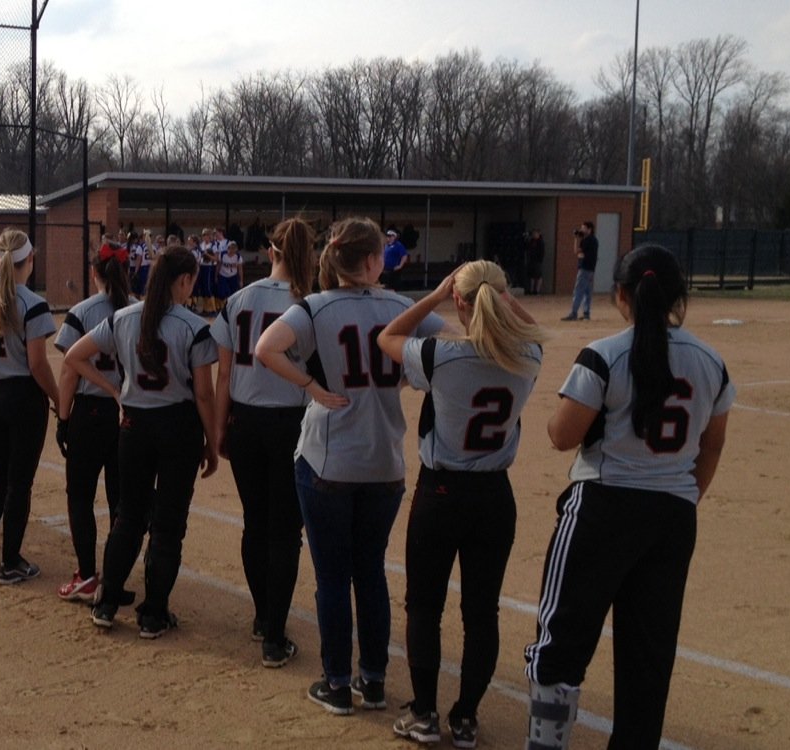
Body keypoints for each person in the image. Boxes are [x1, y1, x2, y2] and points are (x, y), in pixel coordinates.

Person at [524, 245, 732, 749]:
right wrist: (682, 498)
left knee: (562, 642)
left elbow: (561, 436)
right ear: (677, 297)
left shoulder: (604, 354)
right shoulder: (711, 361)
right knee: (648, 658)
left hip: (603, 507)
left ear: (622, 295)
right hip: (672, 519)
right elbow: (712, 444)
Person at [253, 217, 445, 717]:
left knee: (333, 578)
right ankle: (374, 680)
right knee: (371, 573)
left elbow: (265, 349)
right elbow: (448, 346)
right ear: (372, 261)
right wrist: (405, 378)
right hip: (384, 460)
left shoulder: (316, 307)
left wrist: (311, 388)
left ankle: (337, 683)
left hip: (328, 459)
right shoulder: (403, 307)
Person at [377, 260, 548, 748]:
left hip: (442, 492)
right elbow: (531, 330)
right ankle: (466, 717)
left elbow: (387, 338)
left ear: (460, 302)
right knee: (482, 611)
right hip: (495, 496)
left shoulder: (442, 354)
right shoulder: (528, 355)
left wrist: (432, 298)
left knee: (424, 606)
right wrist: (499, 293)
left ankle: (426, 713)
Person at [65, 246, 219, 638]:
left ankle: (107, 602)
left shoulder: (123, 317)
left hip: (134, 425)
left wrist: (115, 391)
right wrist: (213, 442)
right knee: (168, 525)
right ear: (183, 281)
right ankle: (153, 613)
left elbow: (75, 357)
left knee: (128, 517)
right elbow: (203, 394)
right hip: (177, 426)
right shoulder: (192, 325)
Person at [210, 217, 316, 668]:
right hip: (292, 423)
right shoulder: (309, 304)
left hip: (246, 421)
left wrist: (218, 429)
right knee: (285, 531)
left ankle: (262, 616)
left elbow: (224, 376)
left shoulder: (238, 300)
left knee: (256, 522)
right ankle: (274, 633)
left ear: (269, 252)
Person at [0, 229, 60, 584]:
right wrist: (59, 399)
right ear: (29, 261)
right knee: (19, 484)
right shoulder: (32, 302)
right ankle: (10, 560)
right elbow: (37, 364)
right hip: (23, 399)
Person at [50, 242, 131, 601]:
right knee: (122, 499)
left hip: (91, 411)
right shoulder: (138, 310)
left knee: (80, 496)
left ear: (94, 273)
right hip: (129, 413)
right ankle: (116, 577)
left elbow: (70, 372)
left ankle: (86, 576)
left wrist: (63, 419)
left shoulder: (82, 311)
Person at [564, 221, 598, 321]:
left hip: (584, 268)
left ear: (589, 229)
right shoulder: (594, 240)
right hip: (591, 269)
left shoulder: (587, 240)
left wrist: (575, 239)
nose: (582, 230)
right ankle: (586, 313)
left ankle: (574, 313)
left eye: (584, 228)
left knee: (578, 291)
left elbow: (577, 252)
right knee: (587, 292)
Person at [215, 237, 243, 310]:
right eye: (230, 248)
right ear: (228, 248)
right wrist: (216, 276)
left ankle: (231, 307)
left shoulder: (238, 256)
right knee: (222, 292)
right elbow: (218, 265)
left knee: (233, 292)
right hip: (223, 275)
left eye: (234, 249)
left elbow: (240, 269)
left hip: (233, 276)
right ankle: (222, 307)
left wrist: (241, 280)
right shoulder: (223, 254)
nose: (231, 250)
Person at [525, 230, 546, 295]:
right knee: (532, 276)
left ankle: (537, 290)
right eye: (533, 234)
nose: (534, 235)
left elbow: (542, 252)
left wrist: (540, 260)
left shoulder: (540, 242)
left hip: (538, 261)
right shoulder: (531, 241)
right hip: (532, 260)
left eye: (535, 234)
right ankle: (531, 290)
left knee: (538, 275)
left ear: (538, 234)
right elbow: (527, 248)